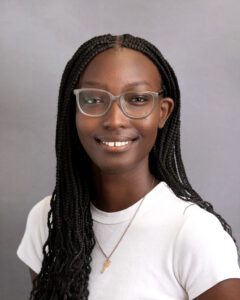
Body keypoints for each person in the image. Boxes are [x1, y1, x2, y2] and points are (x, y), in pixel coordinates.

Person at [17, 34, 240, 300]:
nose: (114, 120)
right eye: (93, 99)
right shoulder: (49, 220)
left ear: (163, 112)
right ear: (73, 109)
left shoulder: (195, 233)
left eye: (137, 100)